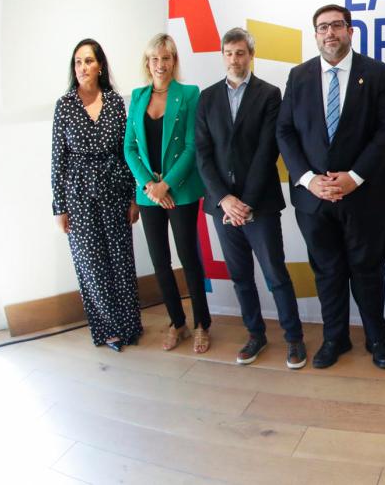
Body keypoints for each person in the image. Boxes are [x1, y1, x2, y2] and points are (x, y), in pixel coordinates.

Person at [277, 4, 385, 370]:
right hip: (314, 200)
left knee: (368, 269)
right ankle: (335, 338)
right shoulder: (298, 76)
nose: (329, 33)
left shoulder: (374, 72)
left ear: (349, 30)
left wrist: (354, 177)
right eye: (322, 27)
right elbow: (284, 131)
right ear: (315, 34)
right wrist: (309, 179)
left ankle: (376, 339)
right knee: (327, 272)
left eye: (336, 26)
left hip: (365, 196)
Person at [196, 28, 307, 369]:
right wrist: (225, 200)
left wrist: (245, 202)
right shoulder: (207, 97)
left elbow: (267, 151)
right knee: (240, 276)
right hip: (222, 208)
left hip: (260, 205)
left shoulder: (269, 94)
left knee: (275, 274)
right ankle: (255, 335)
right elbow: (203, 154)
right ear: (223, 56)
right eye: (229, 53)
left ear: (250, 55)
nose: (235, 59)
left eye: (241, 53)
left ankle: (294, 340)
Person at [51, 39, 143, 352]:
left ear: (100, 65)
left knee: (121, 261)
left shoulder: (116, 102)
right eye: (77, 62)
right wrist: (59, 207)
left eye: (88, 61)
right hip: (78, 196)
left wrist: (133, 197)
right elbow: (57, 159)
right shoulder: (64, 106)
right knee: (91, 265)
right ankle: (108, 330)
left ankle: (130, 325)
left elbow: (126, 151)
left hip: (115, 192)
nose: (82, 68)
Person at [124, 33, 211, 353]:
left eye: (167, 58)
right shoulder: (136, 97)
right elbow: (129, 147)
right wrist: (150, 186)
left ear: (174, 61)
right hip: (149, 195)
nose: (160, 64)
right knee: (160, 261)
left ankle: (202, 324)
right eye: (154, 58)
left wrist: (166, 185)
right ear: (147, 63)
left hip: (181, 191)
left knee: (189, 259)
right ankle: (178, 323)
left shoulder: (189, 94)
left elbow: (192, 147)